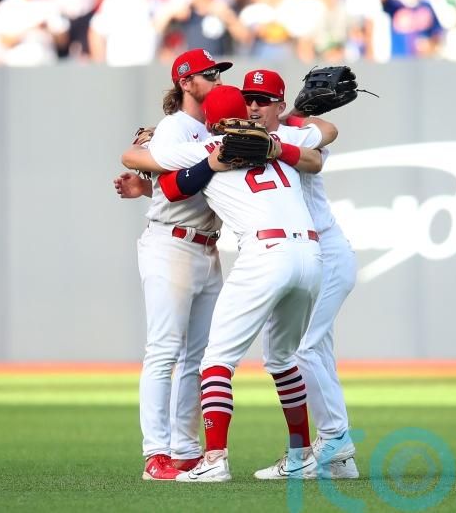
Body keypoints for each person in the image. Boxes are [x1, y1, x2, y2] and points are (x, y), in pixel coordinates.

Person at [122, 85, 325, 482]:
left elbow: (164, 180)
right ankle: (301, 454)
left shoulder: (208, 146)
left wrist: (153, 141)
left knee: (215, 360)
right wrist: (287, 132)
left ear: (210, 121)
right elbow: (320, 146)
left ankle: (214, 460)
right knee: (282, 359)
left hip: (266, 252)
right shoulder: (278, 140)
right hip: (310, 254)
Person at [116, 48, 232, 481]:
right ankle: (156, 454)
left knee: (198, 356)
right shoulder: (175, 126)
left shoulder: (211, 127)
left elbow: (181, 185)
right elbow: (160, 164)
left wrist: (147, 187)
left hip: (207, 246)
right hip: (171, 243)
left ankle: (184, 449)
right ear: (185, 82)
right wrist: (141, 157)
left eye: (218, 73)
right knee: (164, 350)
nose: (217, 79)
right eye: (209, 74)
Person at [238, 69, 359, 480]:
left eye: (263, 99)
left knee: (301, 349)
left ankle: (335, 438)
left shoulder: (297, 133)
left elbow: (327, 135)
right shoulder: (242, 136)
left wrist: (292, 117)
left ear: (278, 103)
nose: (254, 106)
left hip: (326, 251)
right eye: (248, 98)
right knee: (316, 351)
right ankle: (339, 461)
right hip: (306, 256)